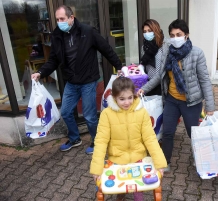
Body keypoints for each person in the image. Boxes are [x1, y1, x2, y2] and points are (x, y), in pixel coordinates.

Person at [31, 5, 122, 154]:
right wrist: (40, 72)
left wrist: (119, 66)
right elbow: (53, 60)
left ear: (71, 18)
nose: (59, 22)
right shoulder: (57, 36)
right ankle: (75, 138)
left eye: (62, 19)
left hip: (88, 81)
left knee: (90, 116)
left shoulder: (88, 32)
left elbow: (106, 49)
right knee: (66, 112)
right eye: (57, 19)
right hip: (71, 82)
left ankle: (96, 141)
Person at [137, 19, 215, 172]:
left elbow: (205, 80)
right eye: (172, 35)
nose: (175, 38)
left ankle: (200, 159)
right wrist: (144, 89)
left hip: (191, 101)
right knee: (167, 132)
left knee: (193, 134)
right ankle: (165, 162)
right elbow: (160, 75)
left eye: (178, 34)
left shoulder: (197, 53)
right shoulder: (168, 52)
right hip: (172, 99)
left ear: (186, 35)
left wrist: (210, 107)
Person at [90, 77, 167, 201]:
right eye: (122, 99)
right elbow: (100, 142)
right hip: (117, 160)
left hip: (138, 159)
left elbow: (150, 138)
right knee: (118, 188)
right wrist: (97, 169)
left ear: (134, 95)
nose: (127, 102)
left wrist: (159, 163)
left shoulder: (141, 112)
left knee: (138, 190)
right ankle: (120, 196)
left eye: (130, 97)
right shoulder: (107, 115)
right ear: (114, 97)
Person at [138, 19, 165, 95]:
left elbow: (161, 73)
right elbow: (144, 65)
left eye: (149, 31)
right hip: (147, 84)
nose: (147, 33)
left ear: (156, 30)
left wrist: (145, 88)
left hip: (161, 86)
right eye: (145, 32)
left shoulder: (164, 46)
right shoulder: (144, 47)